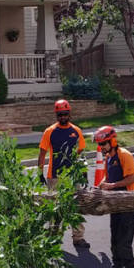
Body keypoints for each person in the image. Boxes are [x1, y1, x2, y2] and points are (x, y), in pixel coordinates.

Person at [38, 99, 90, 249]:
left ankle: (78, 237)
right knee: (55, 209)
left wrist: (83, 172)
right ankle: (53, 238)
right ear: (56, 115)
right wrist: (40, 173)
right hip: (54, 176)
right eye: (60, 114)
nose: (62, 117)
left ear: (69, 114)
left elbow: (80, 154)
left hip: (73, 176)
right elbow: (42, 154)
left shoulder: (76, 131)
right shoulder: (50, 131)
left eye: (65, 114)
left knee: (76, 207)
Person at [94, 125, 134, 268]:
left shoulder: (124, 155)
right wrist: (101, 185)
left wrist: (112, 186)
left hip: (128, 205)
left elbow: (133, 177)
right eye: (100, 145)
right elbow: (108, 179)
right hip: (116, 206)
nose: (102, 147)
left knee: (124, 242)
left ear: (112, 141)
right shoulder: (109, 159)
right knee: (115, 241)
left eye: (104, 144)